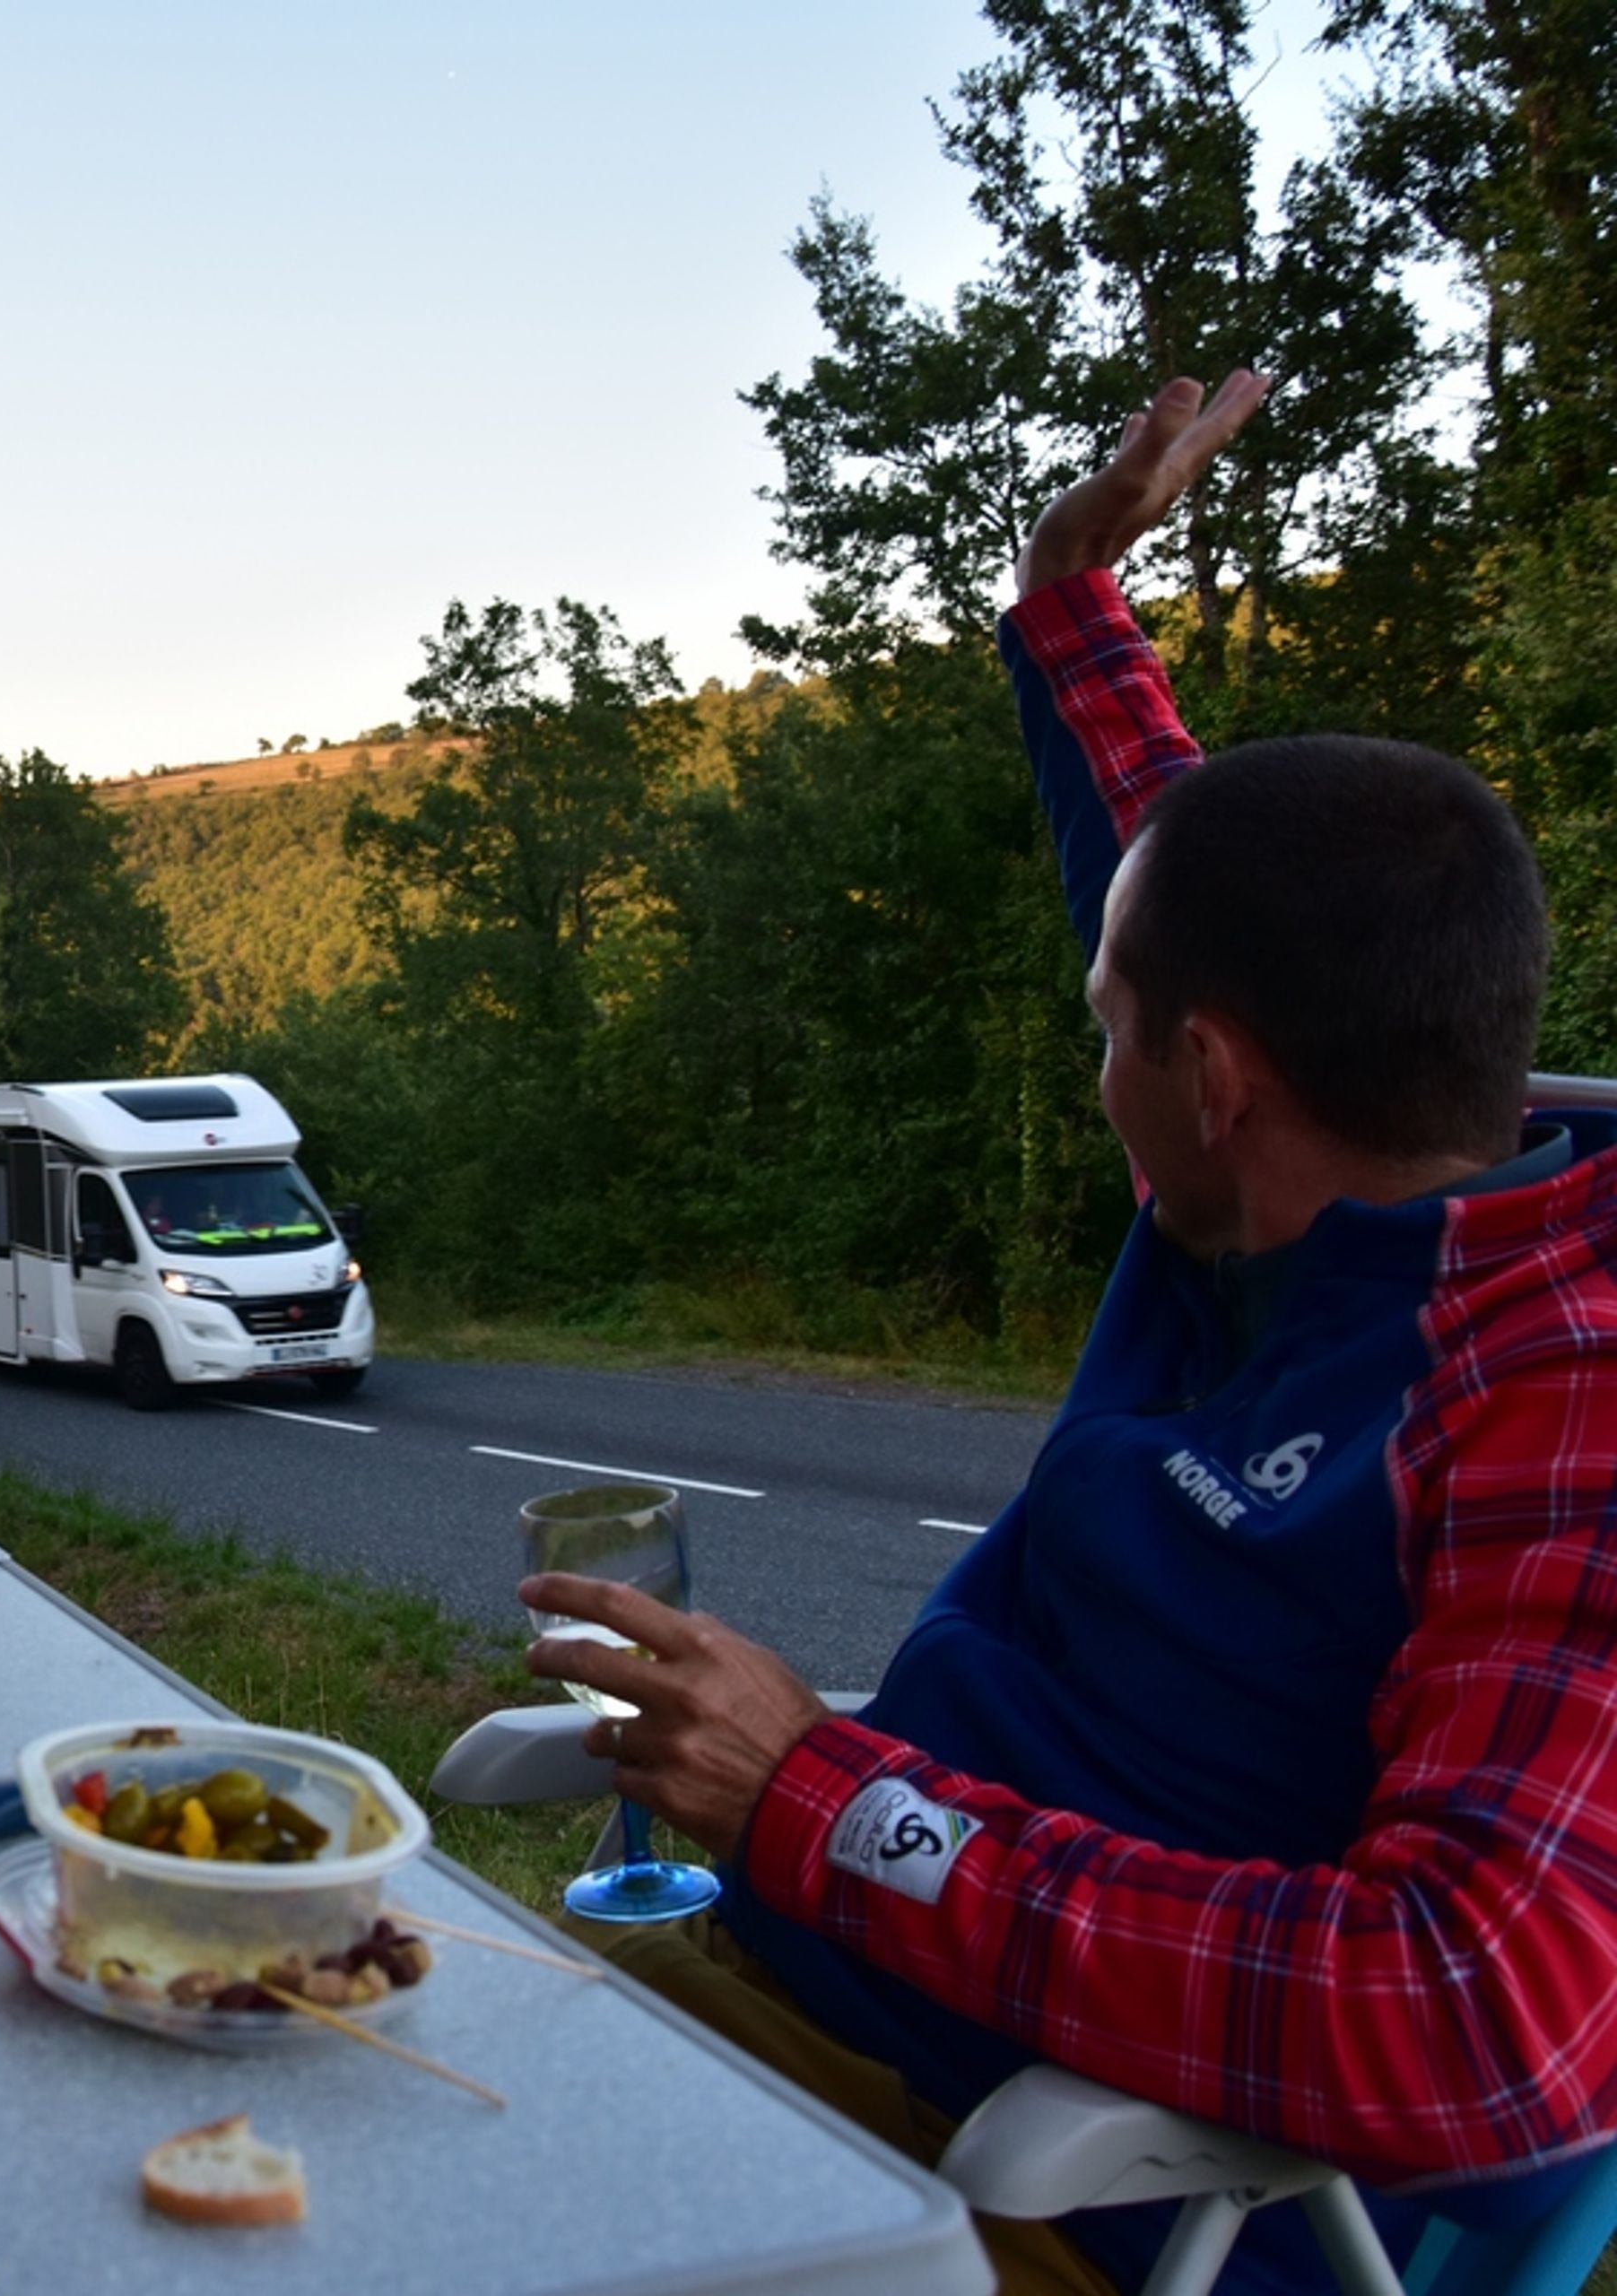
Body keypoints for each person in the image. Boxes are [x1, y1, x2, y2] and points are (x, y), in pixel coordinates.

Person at [522, 374, 1617, 2296]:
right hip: (792, 2005)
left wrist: (825, 1799)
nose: (1091, 1059)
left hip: (1060, 2187)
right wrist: (1067, 602)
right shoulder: (1285, 1176)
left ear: (1213, 1075)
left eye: (1107, 1030)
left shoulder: (1557, 1387)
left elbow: (1477, 2009)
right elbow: (1178, 867)